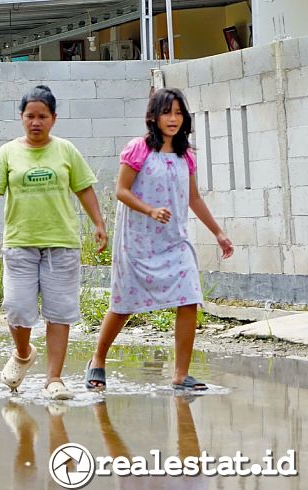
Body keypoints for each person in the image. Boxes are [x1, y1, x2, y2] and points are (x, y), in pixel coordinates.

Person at [0, 85, 108, 400]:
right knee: (17, 308)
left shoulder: (66, 151)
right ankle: (23, 352)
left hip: (61, 243)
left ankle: (54, 378)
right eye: (30, 116)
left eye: (43, 116)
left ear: (54, 118)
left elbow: (84, 188)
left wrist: (98, 223)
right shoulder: (7, 153)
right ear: (21, 117)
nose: (36, 122)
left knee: (58, 312)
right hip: (20, 243)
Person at [84, 88, 234, 392]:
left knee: (189, 298)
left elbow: (193, 198)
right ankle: (97, 359)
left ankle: (181, 374)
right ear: (153, 116)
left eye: (179, 113)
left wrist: (218, 233)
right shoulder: (138, 149)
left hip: (174, 242)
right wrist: (150, 210)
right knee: (123, 303)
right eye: (167, 112)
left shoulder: (185, 156)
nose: (173, 119)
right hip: (137, 243)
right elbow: (121, 191)